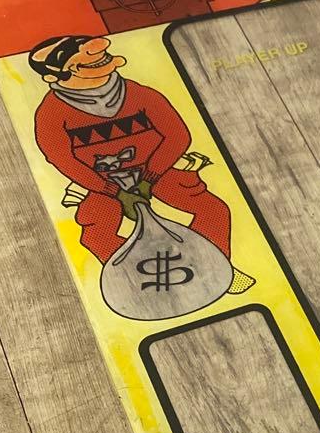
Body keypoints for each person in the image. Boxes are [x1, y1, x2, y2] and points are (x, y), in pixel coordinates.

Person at [29, 34, 254, 292]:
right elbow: (62, 159)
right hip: (101, 182)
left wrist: (150, 176)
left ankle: (214, 268)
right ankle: (149, 279)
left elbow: (177, 135)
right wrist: (112, 191)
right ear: (53, 76)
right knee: (95, 235)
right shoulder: (51, 113)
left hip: (157, 169)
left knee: (212, 209)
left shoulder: (139, 94)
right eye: (68, 53)